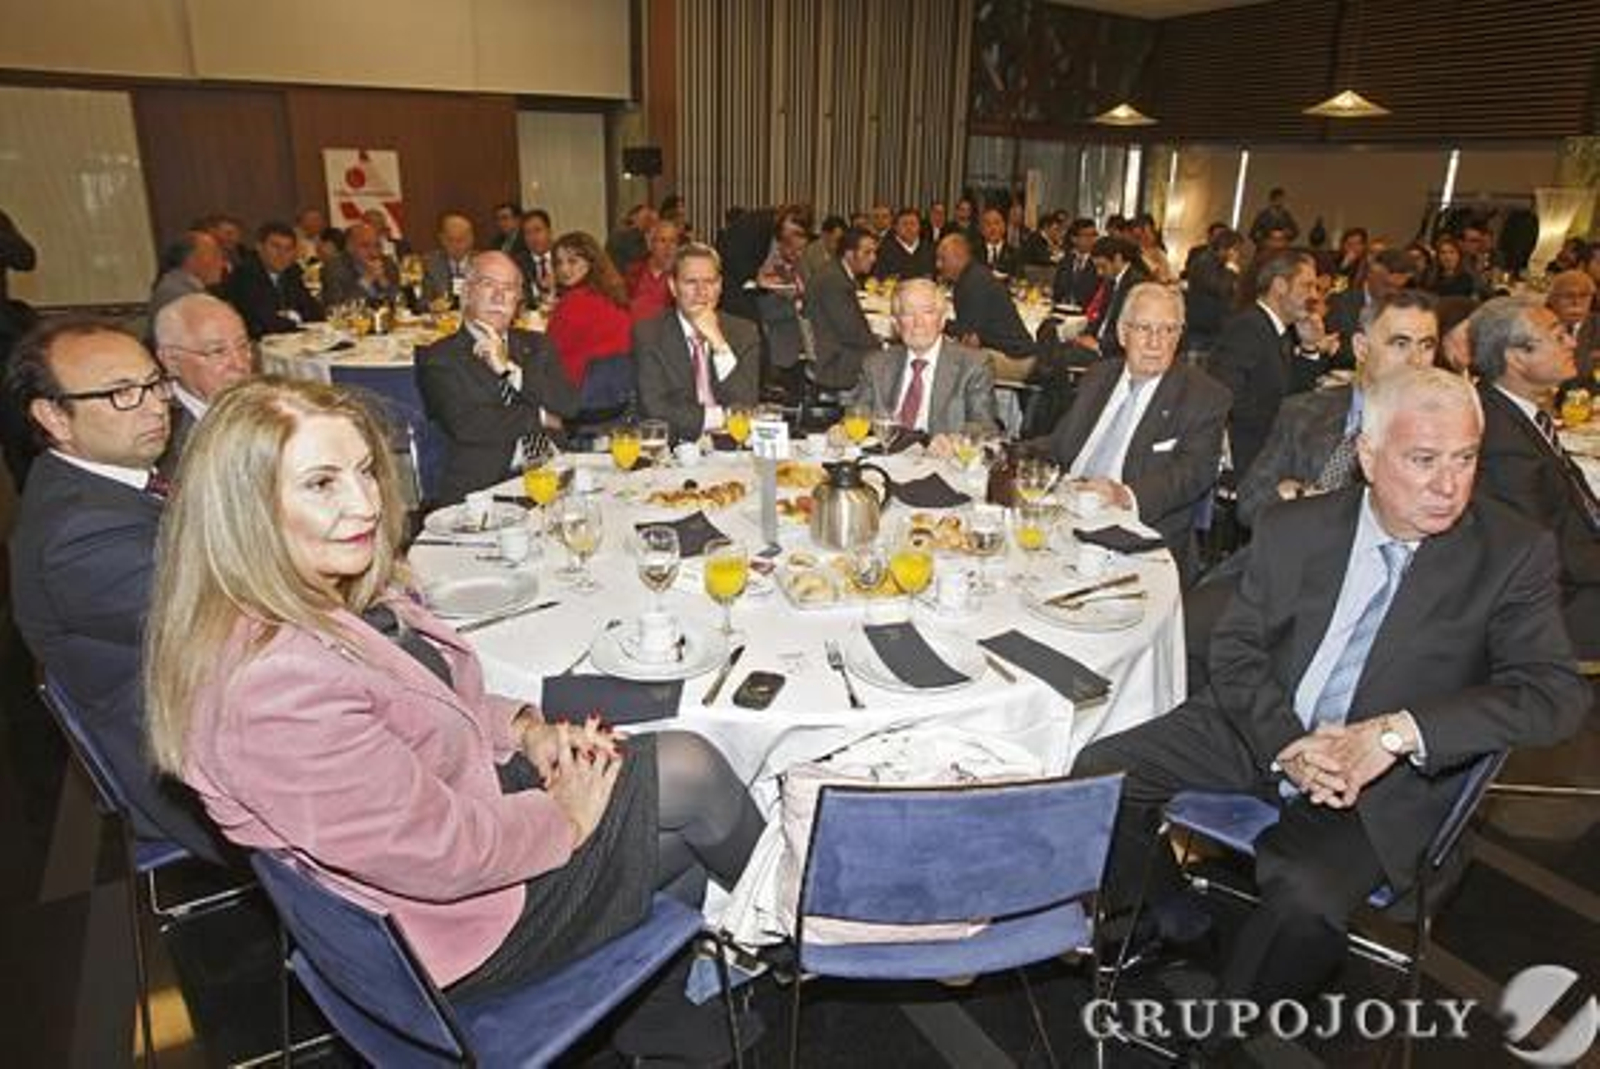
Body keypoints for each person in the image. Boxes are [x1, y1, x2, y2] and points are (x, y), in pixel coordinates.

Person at [142, 377, 764, 1054]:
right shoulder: (274, 687)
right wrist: (565, 817)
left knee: (664, 787)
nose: (365, 503)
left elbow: (427, 705)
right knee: (689, 779)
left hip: (456, 822)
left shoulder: (305, 594)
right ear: (242, 510)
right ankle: (789, 929)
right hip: (453, 928)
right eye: (321, 483)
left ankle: (663, 1013)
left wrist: (524, 728)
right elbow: (440, 852)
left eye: (364, 471)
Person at [1075, 367, 1587, 1025]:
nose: (1448, 484)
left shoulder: (1511, 553)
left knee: (1305, 896)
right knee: (1099, 774)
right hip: (1265, 725)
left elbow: (1553, 693)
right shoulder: (1297, 525)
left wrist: (1395, 733)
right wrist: (1285, 741)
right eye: (1423, 459)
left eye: (1464, 459)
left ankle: (1224, 1030)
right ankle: (1172, 918)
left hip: (1388, 777)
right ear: (1369, 456)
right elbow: (1237, 648)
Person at [7, 317, 228, 862]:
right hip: (198, 771)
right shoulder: (78, 535)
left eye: (154, 384)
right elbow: (234, 620)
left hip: (211, 708)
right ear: (53, 416)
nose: (156, 406)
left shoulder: (105, 481)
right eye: (121, 393)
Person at [1048, 282, 1229, 582]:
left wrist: (1124, 494)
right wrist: (1000, 449)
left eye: (1168, 330)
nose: (1155, 342)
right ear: (1123, 333)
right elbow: (1059, 444)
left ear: (1179, 336)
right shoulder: (1099, 376)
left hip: (1137, 540)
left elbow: (1193, 473)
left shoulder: (1204, 397)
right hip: (1065, 515)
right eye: (1144, 328)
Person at [1237, 290, 1441, 529]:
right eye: (1400, 344)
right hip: (1292, 546)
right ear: (1361, 348)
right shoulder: (1304, 411)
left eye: (1426, 346)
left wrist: (1296, 497)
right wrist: (1304, 496)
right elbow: (1250, 504)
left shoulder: (1440, 432)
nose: (1416, 360)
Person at [1471, 295, 1600, 658]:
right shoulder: (1500, 440)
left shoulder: (1518, 413)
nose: (1572, 342)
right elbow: (1543, 547)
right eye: (1558, 336)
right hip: (1564, 603)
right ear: (1516, 357)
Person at [415, 252, 578, 503]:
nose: (499, 296)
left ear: (518, 300)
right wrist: (542, 417)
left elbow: (568, 405)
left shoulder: (537, 345)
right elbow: (468, 425)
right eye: (488, 284)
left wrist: (510, 372)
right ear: (467, 292)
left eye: (509, 288)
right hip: (487, 487)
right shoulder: (439, 357)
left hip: (555, 473)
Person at [1207, 251, 1321, 483]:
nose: (1315, 296)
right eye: (1307, 286)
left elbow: (1294, 395)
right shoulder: (1248, 327)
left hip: (1266, 455)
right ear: (1280, 286)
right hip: (1246, 465)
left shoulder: (1278, 330)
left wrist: (1309, 347)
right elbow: (1224, 399)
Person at [633, 243, 761, 441]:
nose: (701, 291)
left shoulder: (744, 332)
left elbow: (745, 402)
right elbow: (655, 408)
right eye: (691, 282)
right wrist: (721, 418)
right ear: (673, 287)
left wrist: (719, 344)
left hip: (732, 445)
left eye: (709, 281)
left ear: (720, 286)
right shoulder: (649, 334)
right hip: (676, 446)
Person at [849, 278, 995, 436]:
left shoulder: (973, 366)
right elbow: (856, 416)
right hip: (888, 449)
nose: (918, 323)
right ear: (896, 324)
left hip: (941, 451)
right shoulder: (876, 365)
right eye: (908, 314)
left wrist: (953, 442)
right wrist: (840, 432)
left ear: (942, 320)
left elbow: (984, 428)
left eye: (928, 312)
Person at [151, 294, 254, 477]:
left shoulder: (264, 402)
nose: (240, 364)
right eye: (218, 351)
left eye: (243, 346)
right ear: (172, 361)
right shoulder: (161, 437)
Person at [545, 231, 633, 391]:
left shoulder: (573, 301)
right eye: (558, 263)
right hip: (618, 389)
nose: (564, 269)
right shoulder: (612, 294)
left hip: (579, 390)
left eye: (572, 261)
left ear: (591, 262)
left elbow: (548, 350)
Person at [803, 226, 885, 391]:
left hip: (836, 349)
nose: (873, 258)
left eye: (874, 252)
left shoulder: (834, 272)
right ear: (849, 254)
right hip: (837, 360)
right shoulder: (833, 281)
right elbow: (851, 332)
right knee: (895, 363)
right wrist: (882, 346)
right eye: (867, 253)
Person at [938, 233, 1036, 360]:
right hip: (1010, 350)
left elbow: (969, 336)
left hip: (1012, 357)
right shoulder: (973, 275)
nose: (938, 265)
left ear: (959, 256)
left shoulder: (973, 282)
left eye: (943, 259)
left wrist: (939, 323)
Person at [225, 221, 324, 338]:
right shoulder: (245, 274)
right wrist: (297, 319)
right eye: (276, 247)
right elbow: (265, 321)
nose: (282, 254)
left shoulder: (292, 271)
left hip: (290, 339)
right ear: (259, 247)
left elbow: (314, 311)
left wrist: (293, 317)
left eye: (288, 249)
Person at [1326, 247, 1416, 371]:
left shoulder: (1405, 309)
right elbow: (1336, 350)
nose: (1393, 292)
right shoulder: (1340, 303)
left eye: (1399, 287)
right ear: (1371, 275)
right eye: (1387, 285)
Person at [1075, 236, 1148, 363]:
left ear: (1117, 259)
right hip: (1100, 343)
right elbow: (1101, 317)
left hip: (1113, 353)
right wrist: (1085, 335)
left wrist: (1099, 345)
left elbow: (1132, 331)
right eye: (1097, 267)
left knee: (1056, 357)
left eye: (1103, 266)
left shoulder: (1137, 285)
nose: (1099, 273)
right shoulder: (1112, 281)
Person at [320, 220, 400, 308]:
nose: (373, 253)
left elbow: (399, 300)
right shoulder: (334, 268)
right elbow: (337, 304)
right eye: (365, 246)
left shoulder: (387, 263)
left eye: (377, 246)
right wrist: (367, 279)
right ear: (350, 247)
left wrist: (383, 281)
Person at [149, 231, 227, 322]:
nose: (223, 264)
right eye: (215, 256)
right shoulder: (179, 294)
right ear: (191, 259)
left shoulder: (181, 287)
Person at [1546, 269, 1598, 384]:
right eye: (1568, 296)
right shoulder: (1539, 327)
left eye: (1584, 296)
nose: (1576, 302)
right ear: (1552, 300)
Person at [626, 217, 681, 323]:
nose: (668, 247)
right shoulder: (634, 272)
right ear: (650, 244)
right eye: (662, 240)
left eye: (673, 241)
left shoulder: (680, 275)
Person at [421, 212, 478, 308]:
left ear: (471, 239)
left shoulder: (484, 264)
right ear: (441, 239)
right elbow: (420, 301)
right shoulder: (428, 263)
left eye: (460, 240)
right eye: (450, 240)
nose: (455, 245)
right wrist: (431, 305)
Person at [873, 207, 935, 281]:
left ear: (920, 227)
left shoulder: (930, 249)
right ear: (896, 227)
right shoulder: (884, 250)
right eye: (904, 224)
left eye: (913, 224)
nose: (909, 228)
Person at [512, 209, 556, 309]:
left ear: (549, 231)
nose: (533, 237)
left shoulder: (563, 258)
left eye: (538, 230)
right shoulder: (517, 263)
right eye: (528, 233)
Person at [1052, 218, 1100, 308]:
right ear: (1074, 238)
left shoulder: (1098, 263)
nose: (1091, 239)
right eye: (1086, 235)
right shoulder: (1065, 261)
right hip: (1063, 309)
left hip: (1087, 311)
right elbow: (1057, 290)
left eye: (1094, 235)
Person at [605, 203, 657, 273]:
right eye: (647, 218)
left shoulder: (639, 235)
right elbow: (638, 259)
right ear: (633, 217)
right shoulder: (624, 234)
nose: (650, 224)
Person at [975, 208, 1021, 277]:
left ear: (1004, 227)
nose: (993, 228)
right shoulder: (973, 253)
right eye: (988, 224)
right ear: (982, 230)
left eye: (996, 223)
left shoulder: (1014, 254)